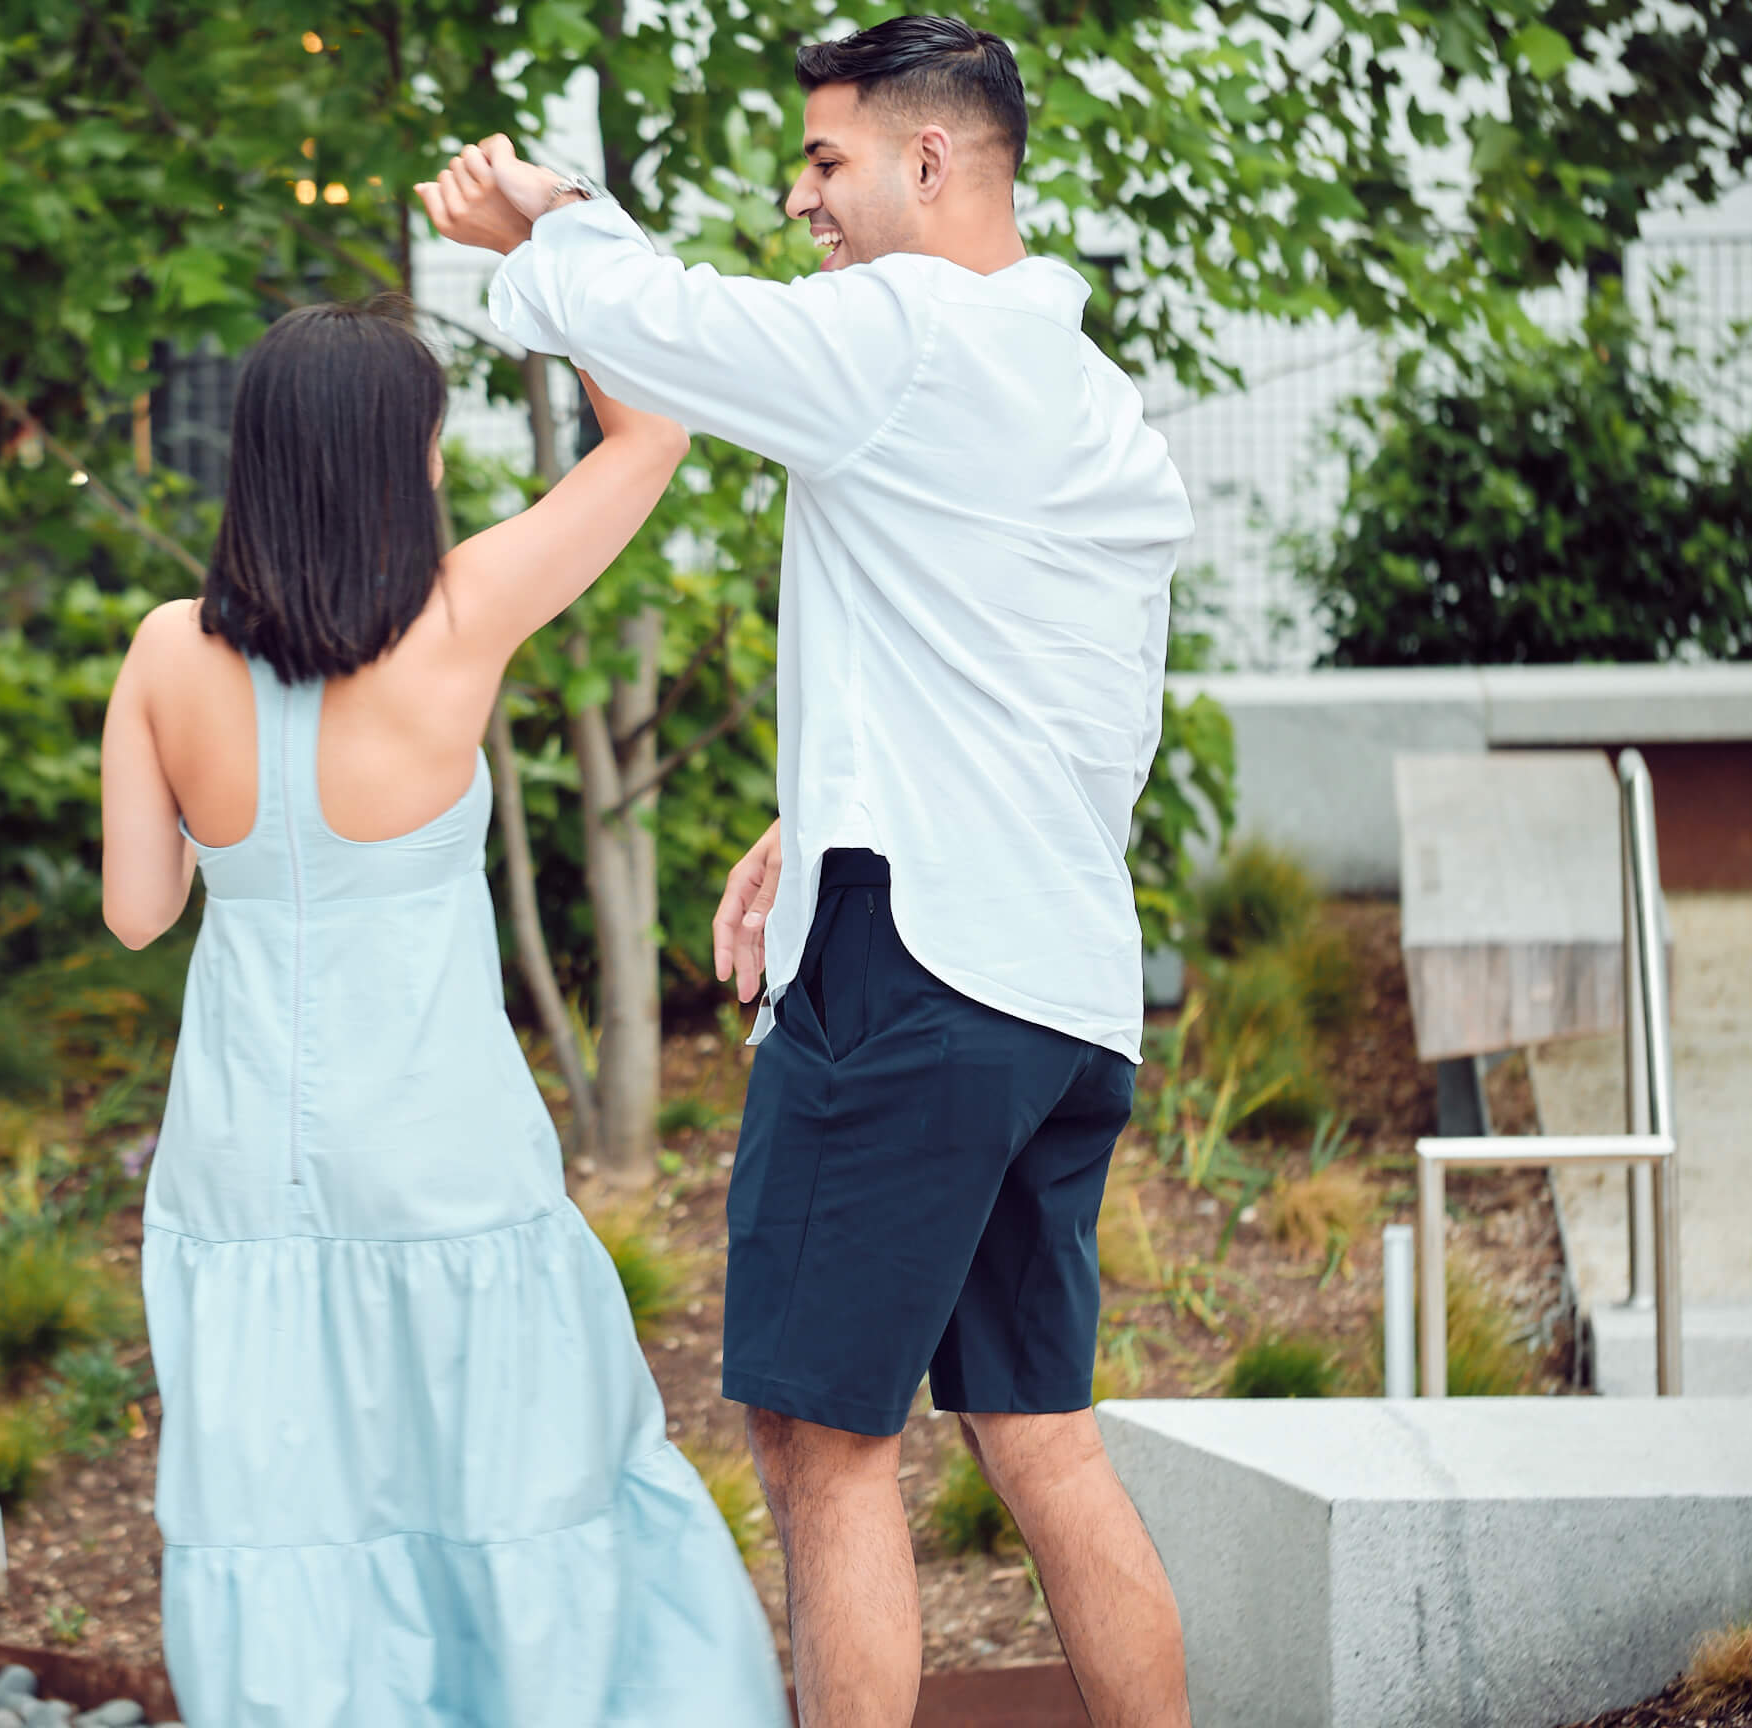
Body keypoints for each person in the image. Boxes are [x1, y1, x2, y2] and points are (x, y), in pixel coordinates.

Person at [415, 16, 1196, 1728]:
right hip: (1058, 978)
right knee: (1041, 1439)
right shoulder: (1084, 388)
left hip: (913, 980)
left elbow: (674, 332)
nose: (801, 198)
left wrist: (548, 212)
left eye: (827, 160)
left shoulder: (912, 332)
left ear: (932, 162)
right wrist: (824, 809)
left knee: (820, 1445)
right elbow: (1061, 711)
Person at [96, 295, 788, 1728]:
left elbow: (139, 910)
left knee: (293, 1521)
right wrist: (552, 252)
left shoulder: (166, 651)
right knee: (515, 1491)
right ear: (399, 460)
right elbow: (649, 430)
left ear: (263, 462)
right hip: (444, 1160)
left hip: (247, 1179)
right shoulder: (462, 616)